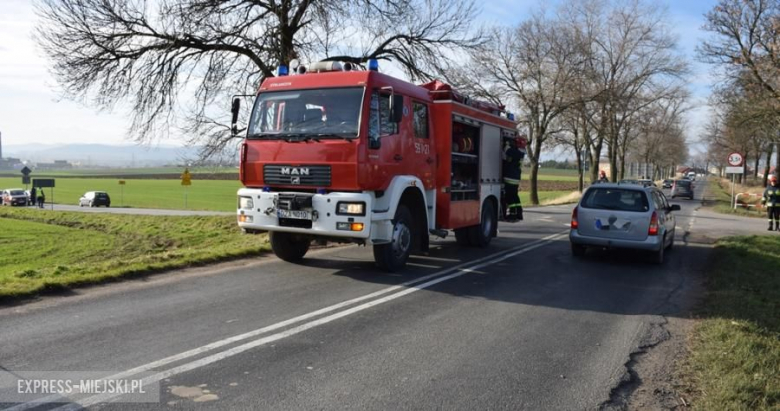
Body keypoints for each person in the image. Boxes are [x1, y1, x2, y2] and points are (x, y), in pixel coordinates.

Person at [502, 136, 527, 222]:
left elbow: (507, 151)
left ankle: (512, 214)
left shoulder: (517, 152)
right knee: (515, 196)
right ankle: (519, 213)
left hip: (510, 177)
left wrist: (506, 144)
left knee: (510, 197)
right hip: (514, 177)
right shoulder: (520, 152)